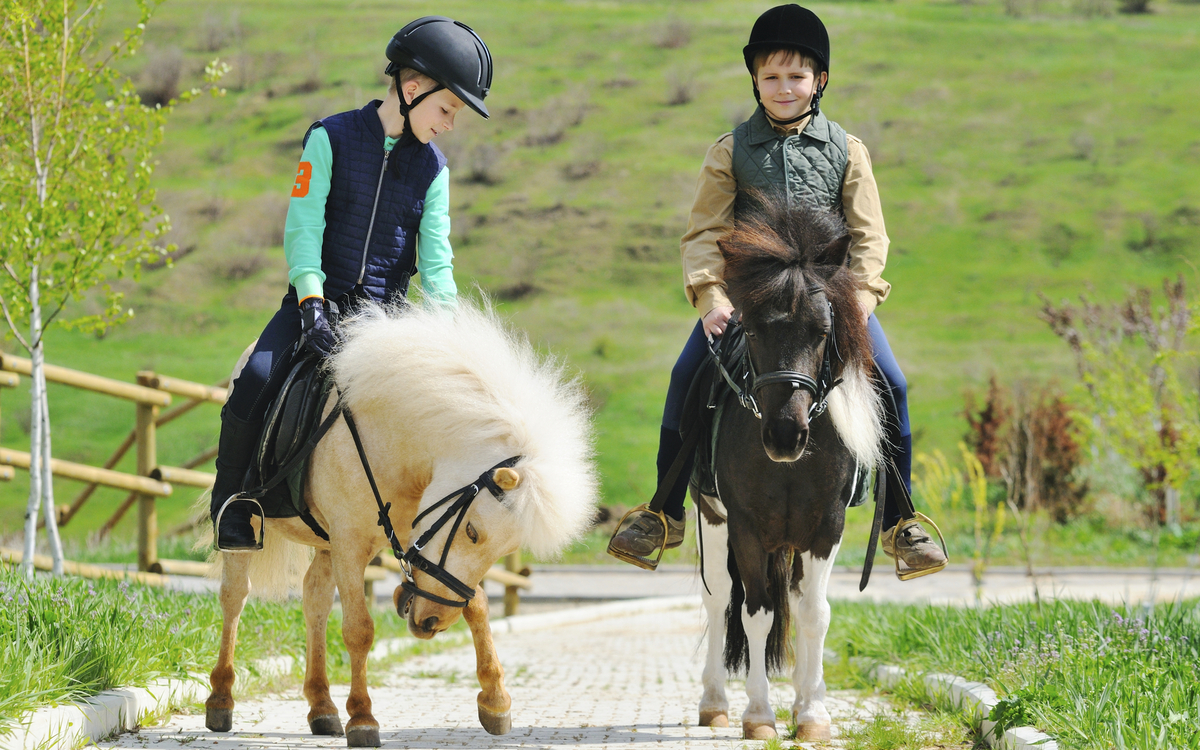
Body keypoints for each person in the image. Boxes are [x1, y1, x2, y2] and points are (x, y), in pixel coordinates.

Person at [608, 4, 947, 576]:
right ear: (756, 82)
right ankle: (662, 513)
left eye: (796, 76)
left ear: (820, 81)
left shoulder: (848, 151)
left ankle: (900, 520)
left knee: (892, 382)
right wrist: (712, 298)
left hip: (830, 302)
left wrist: (859, 303)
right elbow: (704, 235)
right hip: (750, 304)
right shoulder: (729, 150)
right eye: (771, 77)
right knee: (684, 376)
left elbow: (869, 237)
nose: (783, 87)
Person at [210, 16, 493, 551]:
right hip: (312, 304)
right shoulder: (328, 138)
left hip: (383, 326)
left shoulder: (434, 170)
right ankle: (234, 506)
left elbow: (437, 263)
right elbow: (303, 229)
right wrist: (312, 302)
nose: (451, 123)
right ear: (412, 91)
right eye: (447, 109)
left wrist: (452, 334)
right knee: (253, 382)